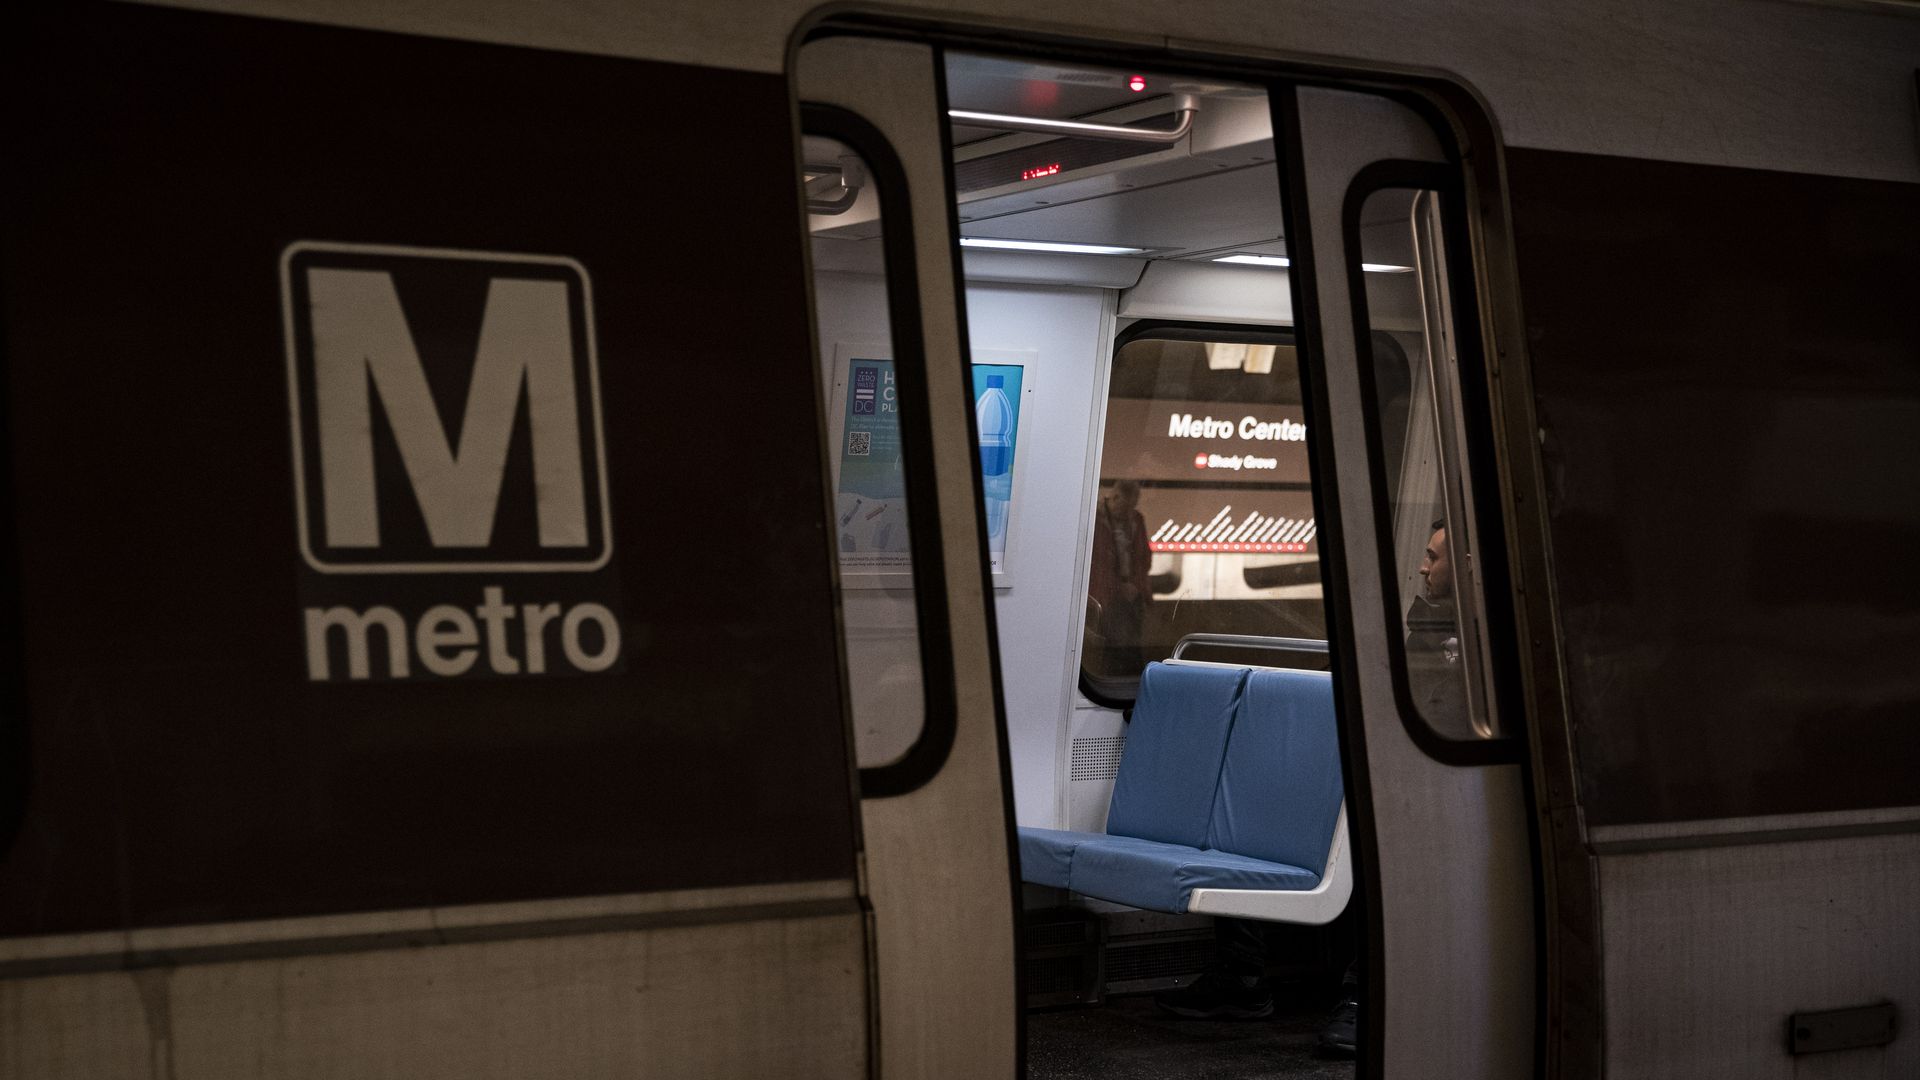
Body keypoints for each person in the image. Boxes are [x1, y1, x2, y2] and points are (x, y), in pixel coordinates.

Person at [1087, 479, 1152, 675]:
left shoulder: (1136, 520)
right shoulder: (1096, 520)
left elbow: (1144, 558)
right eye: (1125, 507)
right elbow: (1097, 563)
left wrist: (1135, 585)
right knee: (1115, 643)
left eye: (1132, 507)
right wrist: (1119, 587)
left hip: (1133, 593)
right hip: (1106, 594)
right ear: (1114, 497)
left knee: (1133, 641)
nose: (1128, 513)